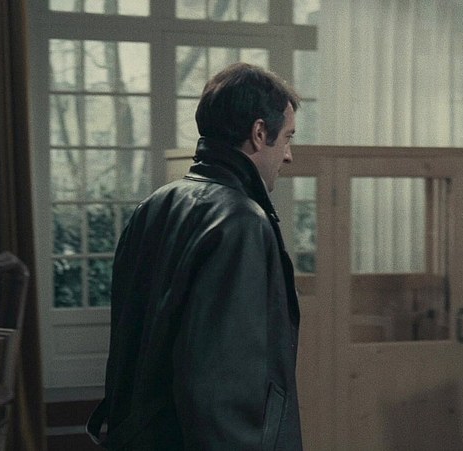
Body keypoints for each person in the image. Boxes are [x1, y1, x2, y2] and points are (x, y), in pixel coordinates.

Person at [86, 62, 302, 450]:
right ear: (258, 133)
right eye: (287, 138)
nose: (288, 155)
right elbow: (220, 388)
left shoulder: (155, 205)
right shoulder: (240, 223)